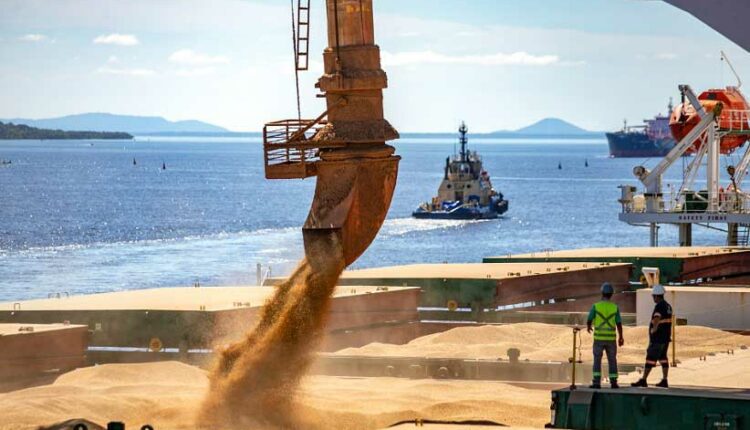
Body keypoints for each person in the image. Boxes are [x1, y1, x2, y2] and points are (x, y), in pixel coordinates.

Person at [631, 284, 672, 388]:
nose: (653, 298)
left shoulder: (659, 306)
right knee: (663, 358)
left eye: (653, 296)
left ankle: (643, 379)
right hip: (666, 337)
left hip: (658, 338)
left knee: (650, 358)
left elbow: (657, 318)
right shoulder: (668, 306)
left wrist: (653, 330)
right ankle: (665, 380)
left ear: (657, 296)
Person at [587, 282, 624, 389]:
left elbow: (589, 319)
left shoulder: (596, 306)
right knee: (612, 360)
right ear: (611, 294)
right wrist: (621, 337)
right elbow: (619, 324)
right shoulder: (614, 307)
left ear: (602, 293)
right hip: (611, 339)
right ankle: (613, 382)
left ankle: (596, 383)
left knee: (597, 360)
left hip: (598, 338)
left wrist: (589, 326)